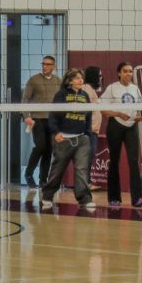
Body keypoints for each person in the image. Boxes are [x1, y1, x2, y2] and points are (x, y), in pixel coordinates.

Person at [41, 69, 96, 210]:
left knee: (81, 170)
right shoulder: (61, 94)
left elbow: (88, 115)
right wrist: (56, 132)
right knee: (57, 170)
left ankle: (84, 198)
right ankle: (47, 196)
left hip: (81, 139)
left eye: (81, 78)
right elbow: (53, 115)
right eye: (77, 78)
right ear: (70, 80)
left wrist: (87, 134)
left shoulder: (85, 96)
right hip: (63, 139)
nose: (80, 80)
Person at [102, 63, 142, 207]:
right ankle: (114, 198)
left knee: (134, 161)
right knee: (114, 161)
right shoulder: (112, 88)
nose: (128, 74)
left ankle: (137, 198)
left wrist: (139, 116)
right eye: (125, 71)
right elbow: (102, 110)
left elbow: (140, 108)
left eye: (130, 72)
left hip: (131, 126)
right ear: (119, 73)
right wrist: (118, 113)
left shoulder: (135, 89)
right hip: (115, 125)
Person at [22, 56, 61, 187]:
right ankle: (28, 172)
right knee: (40, 146)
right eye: (43, 64)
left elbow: (61, 101)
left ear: (54, 66)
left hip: (52, 119)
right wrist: (26, 116)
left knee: (49, 150)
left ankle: (43, 179)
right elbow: (25, 99)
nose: (45, 66)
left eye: (48, 64)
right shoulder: (34, 80)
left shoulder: (58, 81)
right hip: (37, 118)